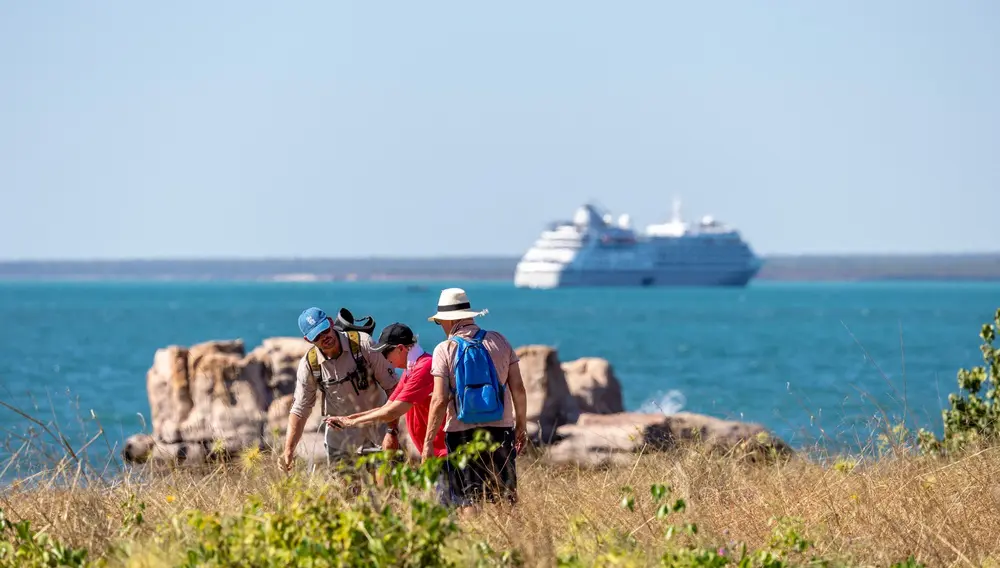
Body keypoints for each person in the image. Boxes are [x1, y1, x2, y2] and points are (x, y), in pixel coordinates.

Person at [423, 288, 528, 508]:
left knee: (466, 498)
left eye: (440, 321)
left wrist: (428, 442)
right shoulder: (500, 341)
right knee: (505, 495)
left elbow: (440, 399)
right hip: (501, 428)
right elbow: (518, 388)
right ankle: (513, 540)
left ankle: (472, 538)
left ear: (450, 321)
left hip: (460, 432)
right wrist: (521, 426)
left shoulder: (444, 349)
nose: (441, 326)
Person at [280, 306, 400, 470]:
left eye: (325, 330)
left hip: (378, 437)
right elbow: (300, 408)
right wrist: (288, 449)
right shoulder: (309, 364)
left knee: (385, 493)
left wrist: (392, 432)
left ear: (330, 322)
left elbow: (393, 388)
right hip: (340, 444)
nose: (325, 337)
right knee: (345, 495)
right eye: (317, 336)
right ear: (308, 340)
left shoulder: (363, 344)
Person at [325, 322, 448, 460]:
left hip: (444, 451)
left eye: (385, 352)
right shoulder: (411, 369)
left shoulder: (424, 368)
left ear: (400, 348)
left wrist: (350, 423)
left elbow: (392, 412)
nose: (384, 358)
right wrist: (346, 419)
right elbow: (386, 407)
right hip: (436, 452)